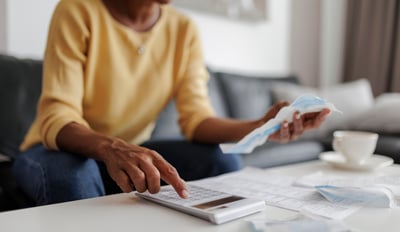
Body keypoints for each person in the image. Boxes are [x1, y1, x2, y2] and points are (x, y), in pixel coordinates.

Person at [13, 0, 330, 206]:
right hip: (57, 149)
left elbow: (196, 119)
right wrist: (111, 148)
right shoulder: (77, 10)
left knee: (223, 162)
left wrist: (259, 127)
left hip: (129, 150)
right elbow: (57, 116)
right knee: (76, 177)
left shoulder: (183, 30)